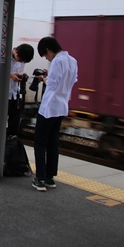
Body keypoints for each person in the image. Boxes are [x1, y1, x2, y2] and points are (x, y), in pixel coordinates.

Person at [32, 37, 77, 191]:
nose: (47, 58)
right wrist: (49, 74)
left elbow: (52, 84)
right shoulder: (72, 61)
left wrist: (45, 78)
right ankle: (50, 178)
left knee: (39, 143)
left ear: (49, 50)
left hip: (48, 107)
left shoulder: (57, 61)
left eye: (45, 55)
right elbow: (72, 80)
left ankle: (40, 179)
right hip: (62, 107)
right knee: (53, 142)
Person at [6, 44, 34, 138]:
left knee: (15, 119)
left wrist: (22, 75)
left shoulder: (22, 58)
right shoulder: (5, 56)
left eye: (23, 61)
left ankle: (12, 139)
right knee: (1, 119)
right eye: (21, 59)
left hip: (16, 93)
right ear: (16, 52)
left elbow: (18, 71)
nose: (21, 62)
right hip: (4, 94)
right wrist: (10, 75)